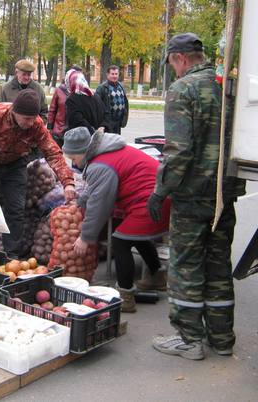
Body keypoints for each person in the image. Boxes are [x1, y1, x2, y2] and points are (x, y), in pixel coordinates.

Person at [149, 33, 246, 360]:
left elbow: (179, 151)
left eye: (172, 64)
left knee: (186, 266)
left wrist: (160, 190)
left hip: (192, 196)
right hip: (224, 193)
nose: (173, 70)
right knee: (218, 264)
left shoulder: (183, 90)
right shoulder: (227, 87)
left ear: (180, 58)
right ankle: (222, 338)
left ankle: (189, 339)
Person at [63, 127, 171, 313]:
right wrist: (80, 201)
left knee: (120, 242)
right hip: (159, 197)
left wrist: (86, 237)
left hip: (151, 201)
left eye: (74, 158)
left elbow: (100, 205)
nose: (74, 163)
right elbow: (96, 188)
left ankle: (125, 296)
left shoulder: (100, 164)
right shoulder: (105, 151)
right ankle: (156, 277)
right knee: (133, 235)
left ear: (84, 151)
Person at [0, 89, 75, 258]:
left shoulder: (36, 125)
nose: (30, 123)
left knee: (16, 209)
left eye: (33, 118)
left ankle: (12, 255)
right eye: (26, 118)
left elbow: (53, 153)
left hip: (15, 164)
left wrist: (67, 182)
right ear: (14, 112)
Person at [65, 70, 107, 134]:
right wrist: (102, 127)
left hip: (82, 137)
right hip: (100, 136)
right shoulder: (95, 96)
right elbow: (106, 114)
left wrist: (92, 131)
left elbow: (77, 121)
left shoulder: (72, 100)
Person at [47, 68, 78, 147]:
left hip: (74, 132)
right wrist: (49, 127)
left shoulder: (80, 91)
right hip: (59, 131)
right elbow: (52, 110)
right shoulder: (59, 90)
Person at [95, 65, 129, 134]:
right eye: (112, 74)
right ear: (107, 75)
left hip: (118, 121)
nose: (114, 76)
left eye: (116, 74)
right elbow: (96, 105)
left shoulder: (121, 86)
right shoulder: (102, 88)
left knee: (117, 139)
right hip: (108, 122)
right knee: (109, 140)